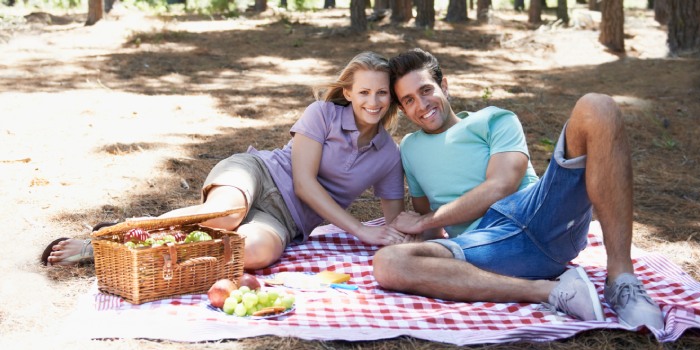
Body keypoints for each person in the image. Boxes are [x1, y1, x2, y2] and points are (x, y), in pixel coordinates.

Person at [372, 48, 664, 329]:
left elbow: (501, 186)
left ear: (444, 86)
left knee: (597, 106)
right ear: (402, 109)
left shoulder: (494, 119)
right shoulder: (409, 149)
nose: (421, 105)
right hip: (486, 247)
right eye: (408, 100)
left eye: (425, 90)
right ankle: (551, 292)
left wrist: (426, 220)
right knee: (388, 264)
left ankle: (622, 281)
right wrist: (412, 234)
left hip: (541, 216)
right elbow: (435, 229)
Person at [44, 51, 407, 270]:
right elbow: (303, 184)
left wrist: (427, 227)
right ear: (348, 92)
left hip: (284, 220)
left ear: (391, 98)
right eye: (363, 92)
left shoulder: (389, 156)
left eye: (381, 93)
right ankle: (107, 243)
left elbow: (394, 222)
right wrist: (359, 229)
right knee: (224, 215)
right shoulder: (323, 113)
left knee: (254, 252)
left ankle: (146, 235)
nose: (372, 101)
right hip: (258, 175)